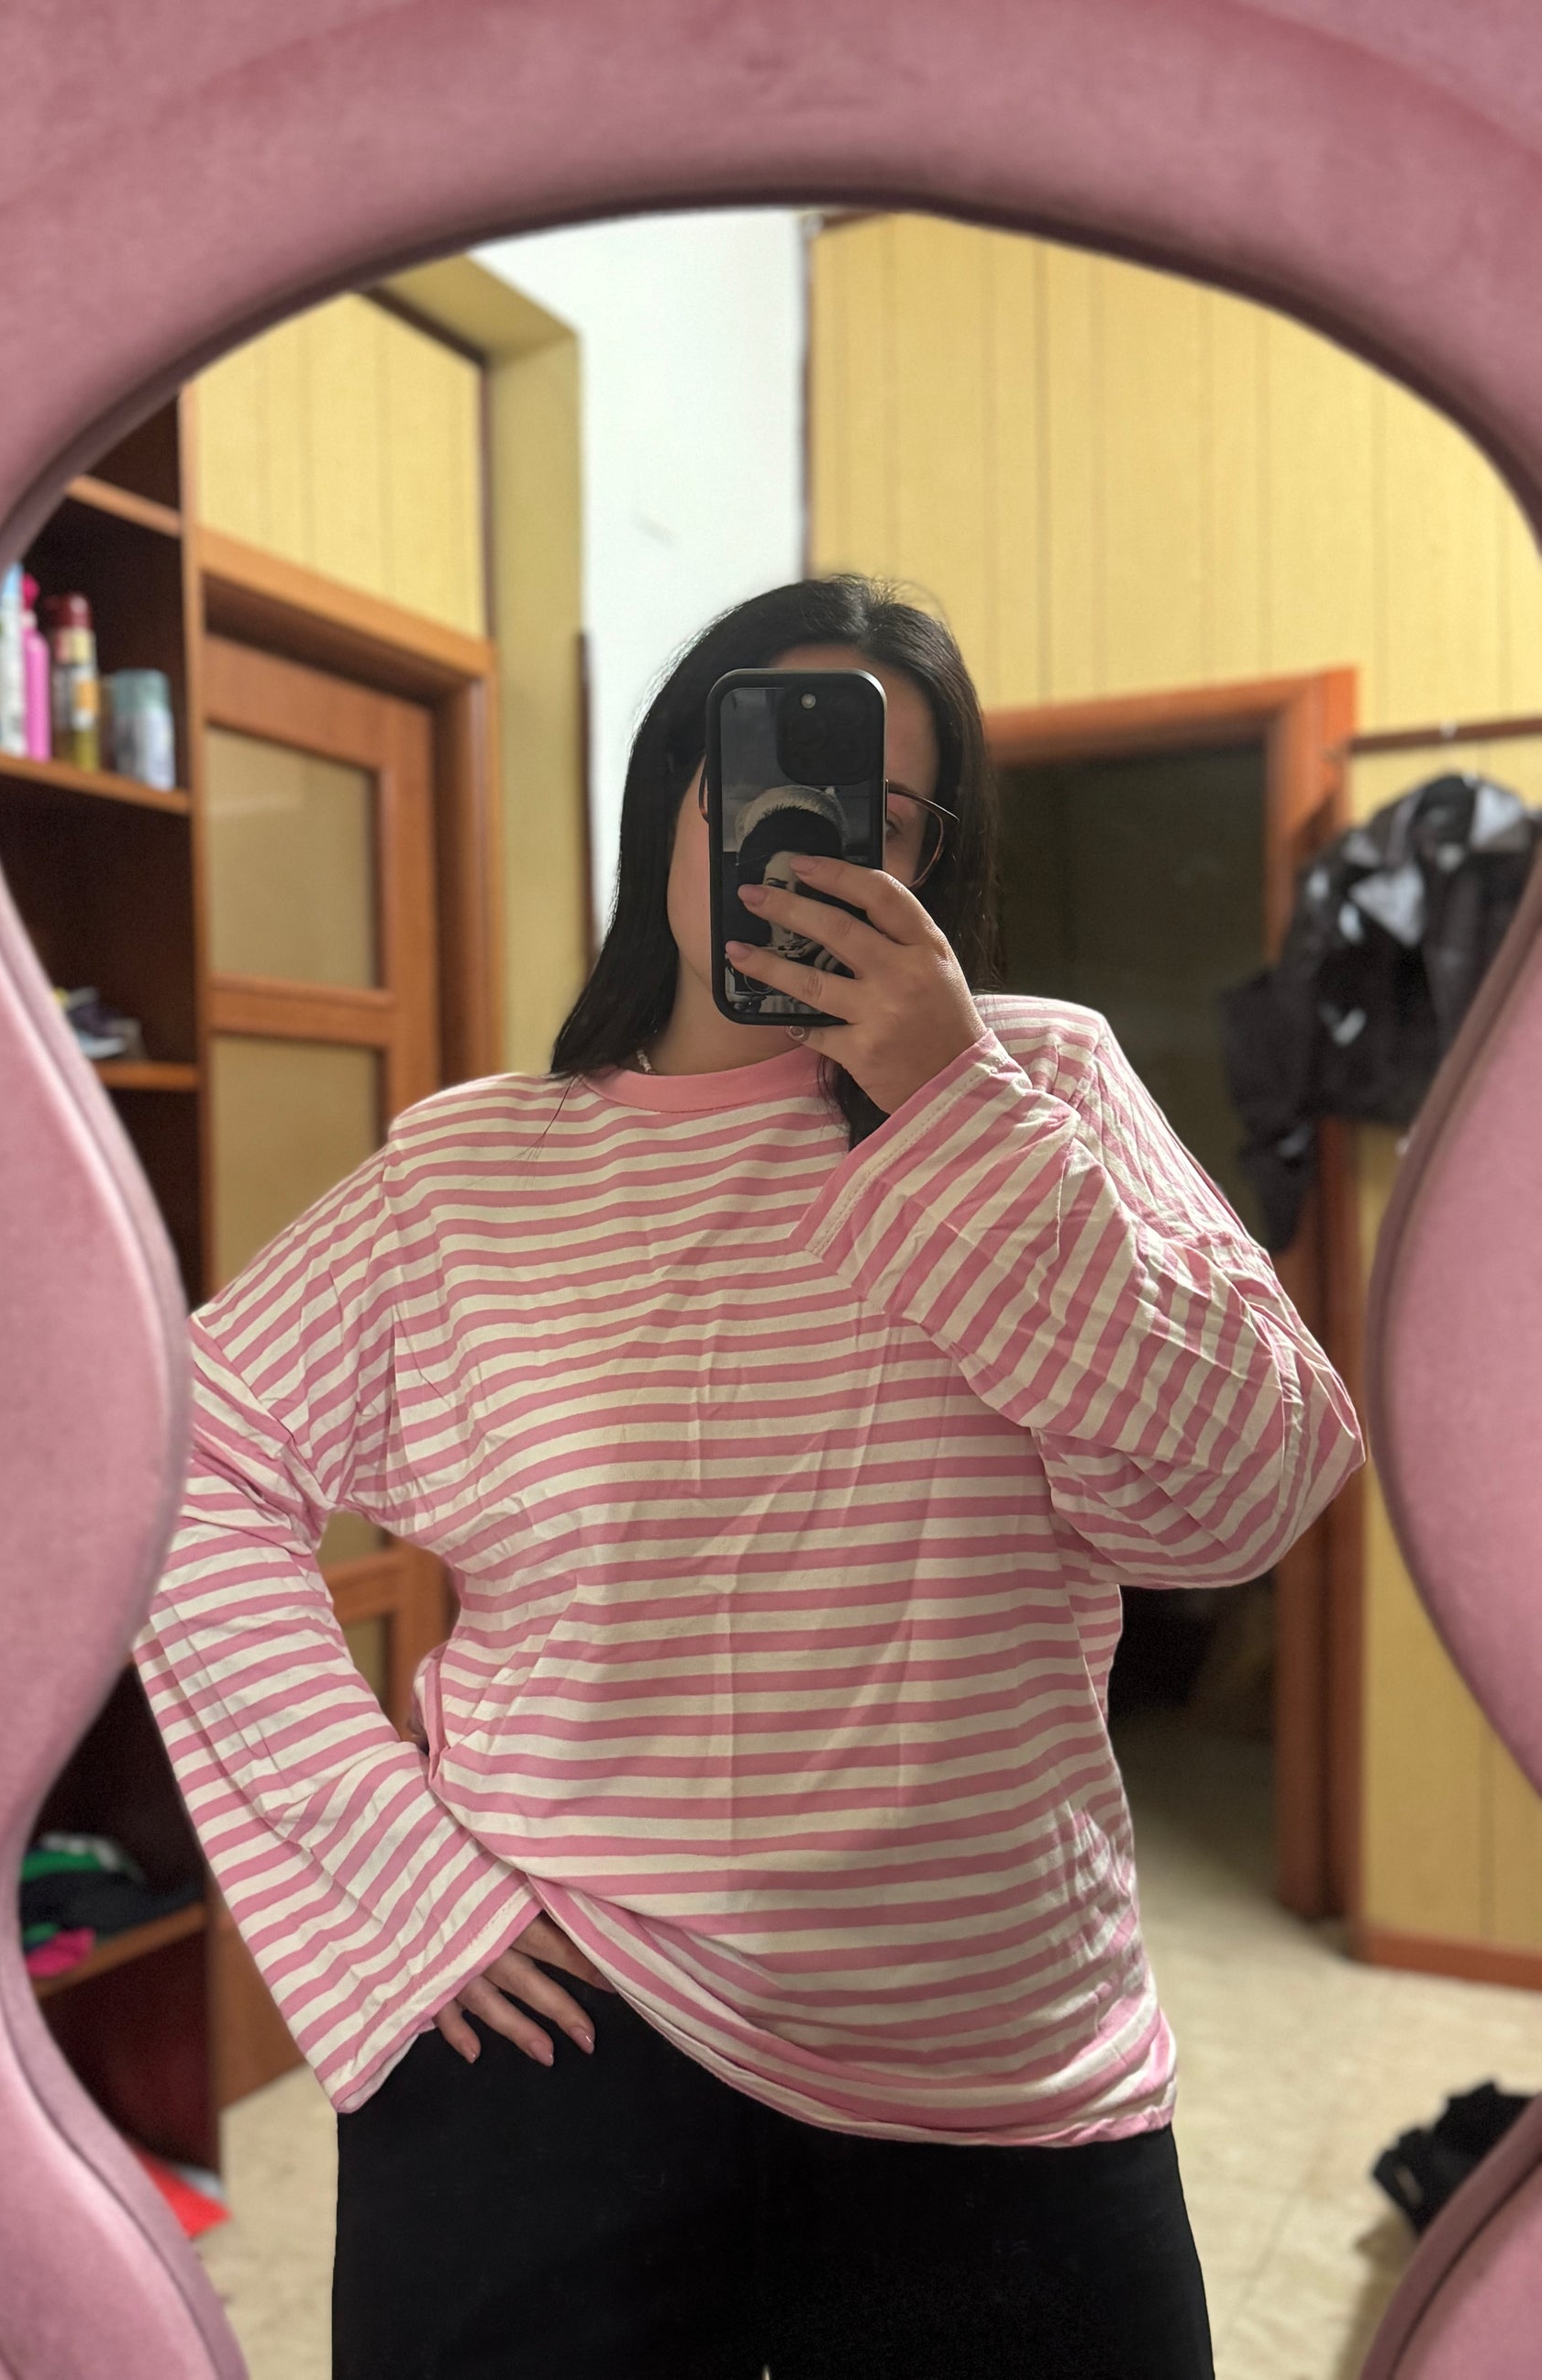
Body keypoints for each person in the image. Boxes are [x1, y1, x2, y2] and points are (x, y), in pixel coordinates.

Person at [137, 576, 1364, 2379]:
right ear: (671, 805)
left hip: (1001, 2052)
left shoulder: (1042, 1083)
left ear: (932, 858)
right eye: (761, 784)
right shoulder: (469, 1175)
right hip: (556, 2025)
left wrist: (948, 1103)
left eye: (880, 811)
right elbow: (180, 1469)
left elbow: (1248, 1487)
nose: (809, 843)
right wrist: (402, 1879)